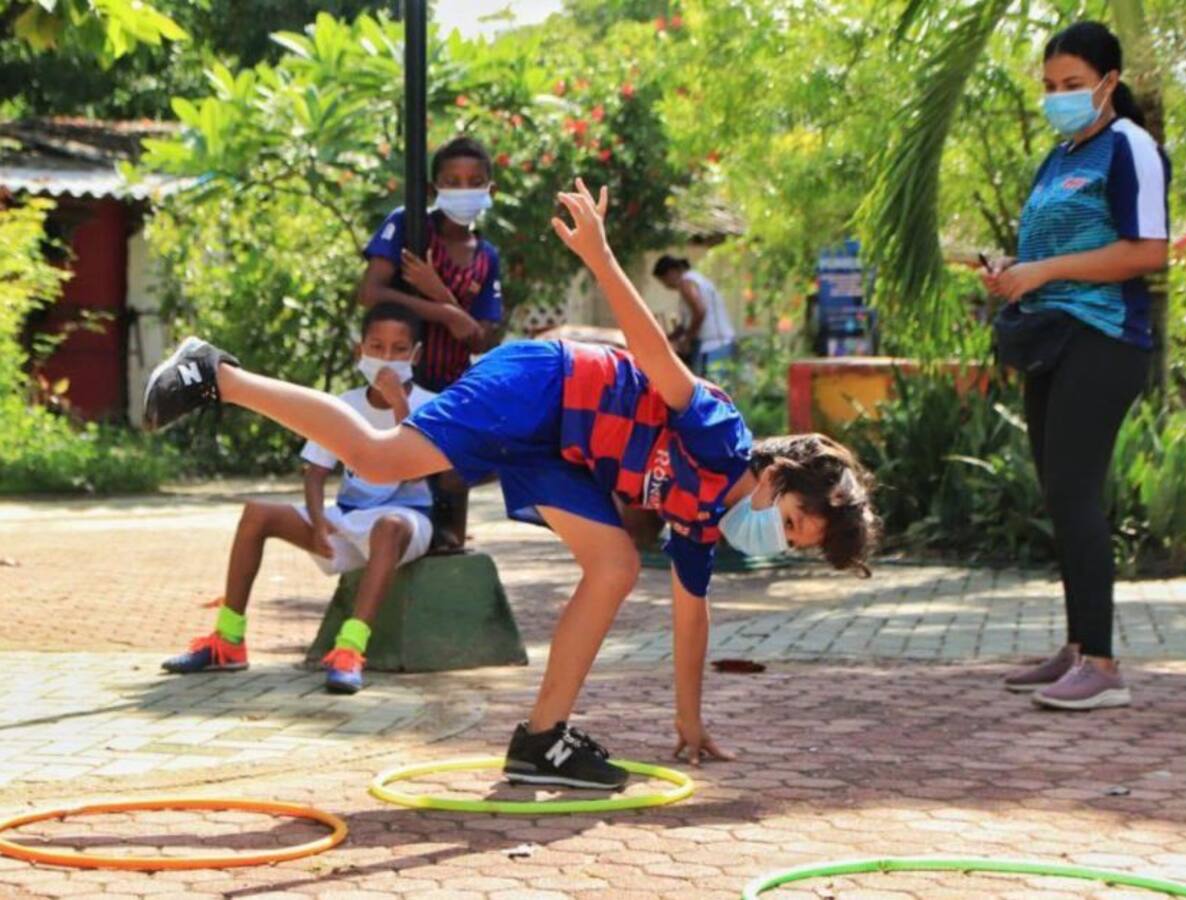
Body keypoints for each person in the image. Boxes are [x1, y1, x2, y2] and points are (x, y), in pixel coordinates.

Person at [143, 180, 877, 790]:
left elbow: (693, 620)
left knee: (616, 565)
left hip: (556, 445)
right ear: (775, 477)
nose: (776, 544)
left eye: (793, 547)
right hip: (545, 383)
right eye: (786, 525)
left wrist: (689, 724)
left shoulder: (699, 525)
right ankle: (218, 373)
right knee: (379, 457)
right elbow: (655, 356)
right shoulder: (722, 438)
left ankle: (540, 740)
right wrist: (600, 256)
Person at [982, 21, 1170, 710]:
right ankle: (1075, 646)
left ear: (1109, 84)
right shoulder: (1060, 157)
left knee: (1076, 490)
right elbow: (1043, 250)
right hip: (1051, 339)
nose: (1058, 98)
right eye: (1049, 87)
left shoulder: (1131, 148)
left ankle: (1103, 663)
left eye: (1073, 86)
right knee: (1059, 493)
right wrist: (1011, 272)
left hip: (1106, 338)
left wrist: (1045, 271)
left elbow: (1149, 251)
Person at [161, 303, 436, 695]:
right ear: (360, 351)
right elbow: (316, 470)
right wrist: (316, 517)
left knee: (387, 527)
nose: (387, 358)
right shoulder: (344, 403)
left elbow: (417, 469)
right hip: (347, 518)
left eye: (398, 349)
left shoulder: (431, 404)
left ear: (416, 355)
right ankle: (228, 640)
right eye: (377, 346)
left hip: (406, 520)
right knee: (258, 513)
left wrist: (399, 406)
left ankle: (350, 649)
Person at [359, 135, 504, 549]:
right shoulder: (410, 225)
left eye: (474, 181)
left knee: (454, 466)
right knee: (402, 463)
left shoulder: (486, 255)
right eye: (452, 181)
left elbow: (478, 335)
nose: (463, 190)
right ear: (433, 188)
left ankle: (448, 538)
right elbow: (370, 292)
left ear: (490, 190)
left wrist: (439, 292)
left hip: (454, 378)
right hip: (404, 371)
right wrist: (445, 312)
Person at [652, 254, 736, 377]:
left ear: (671, 272)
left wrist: (687, 340)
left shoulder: (686, 283)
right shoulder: (695, 279)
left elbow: (700, 312)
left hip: (713, 345)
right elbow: (687, 323)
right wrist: (667, 338)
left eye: (664, 281)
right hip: (718, 343)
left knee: (709, 389)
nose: (666, 286)